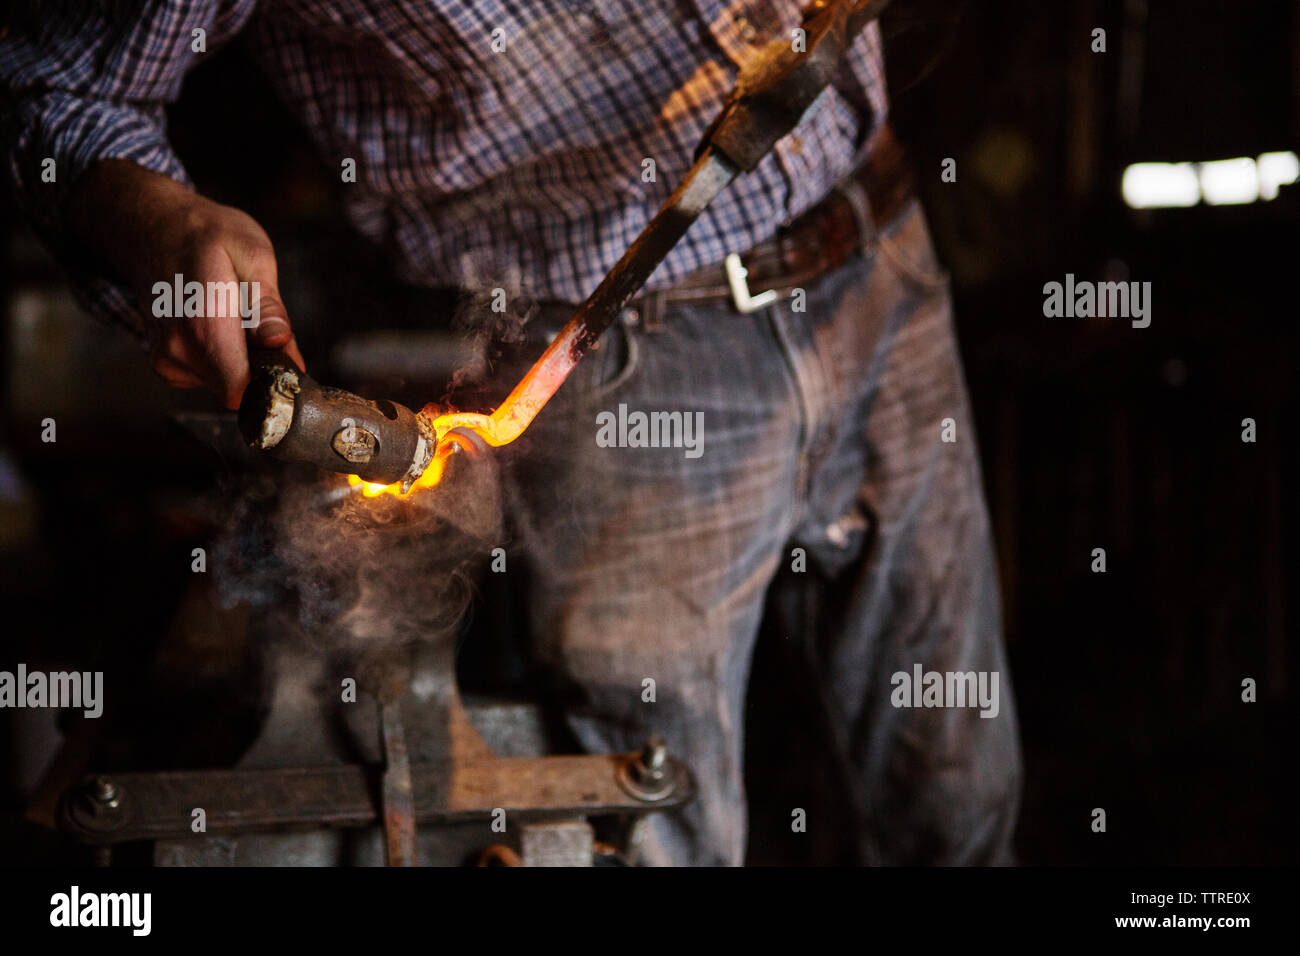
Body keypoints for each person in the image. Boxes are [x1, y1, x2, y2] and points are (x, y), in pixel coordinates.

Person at [1, 0, 1021, 865]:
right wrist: (159, 222)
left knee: (959, 795)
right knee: (662, 820)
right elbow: (48, 84)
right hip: (623, 364)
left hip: (881, 253)